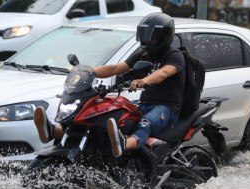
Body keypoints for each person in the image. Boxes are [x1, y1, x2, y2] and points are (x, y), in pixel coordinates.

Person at [34, 12, 185, 158]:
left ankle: (125, 144)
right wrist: (88, 71)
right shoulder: (143, 53)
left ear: (164, 37)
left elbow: (164, 73)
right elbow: (115, 68)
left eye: (151, 38)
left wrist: (144, 81)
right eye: (145, 36)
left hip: (167, 107)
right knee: (114, 117)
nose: (146, 42)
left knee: (146, 123)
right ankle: (55, 130)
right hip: (145, 103)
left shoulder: (174, 56)